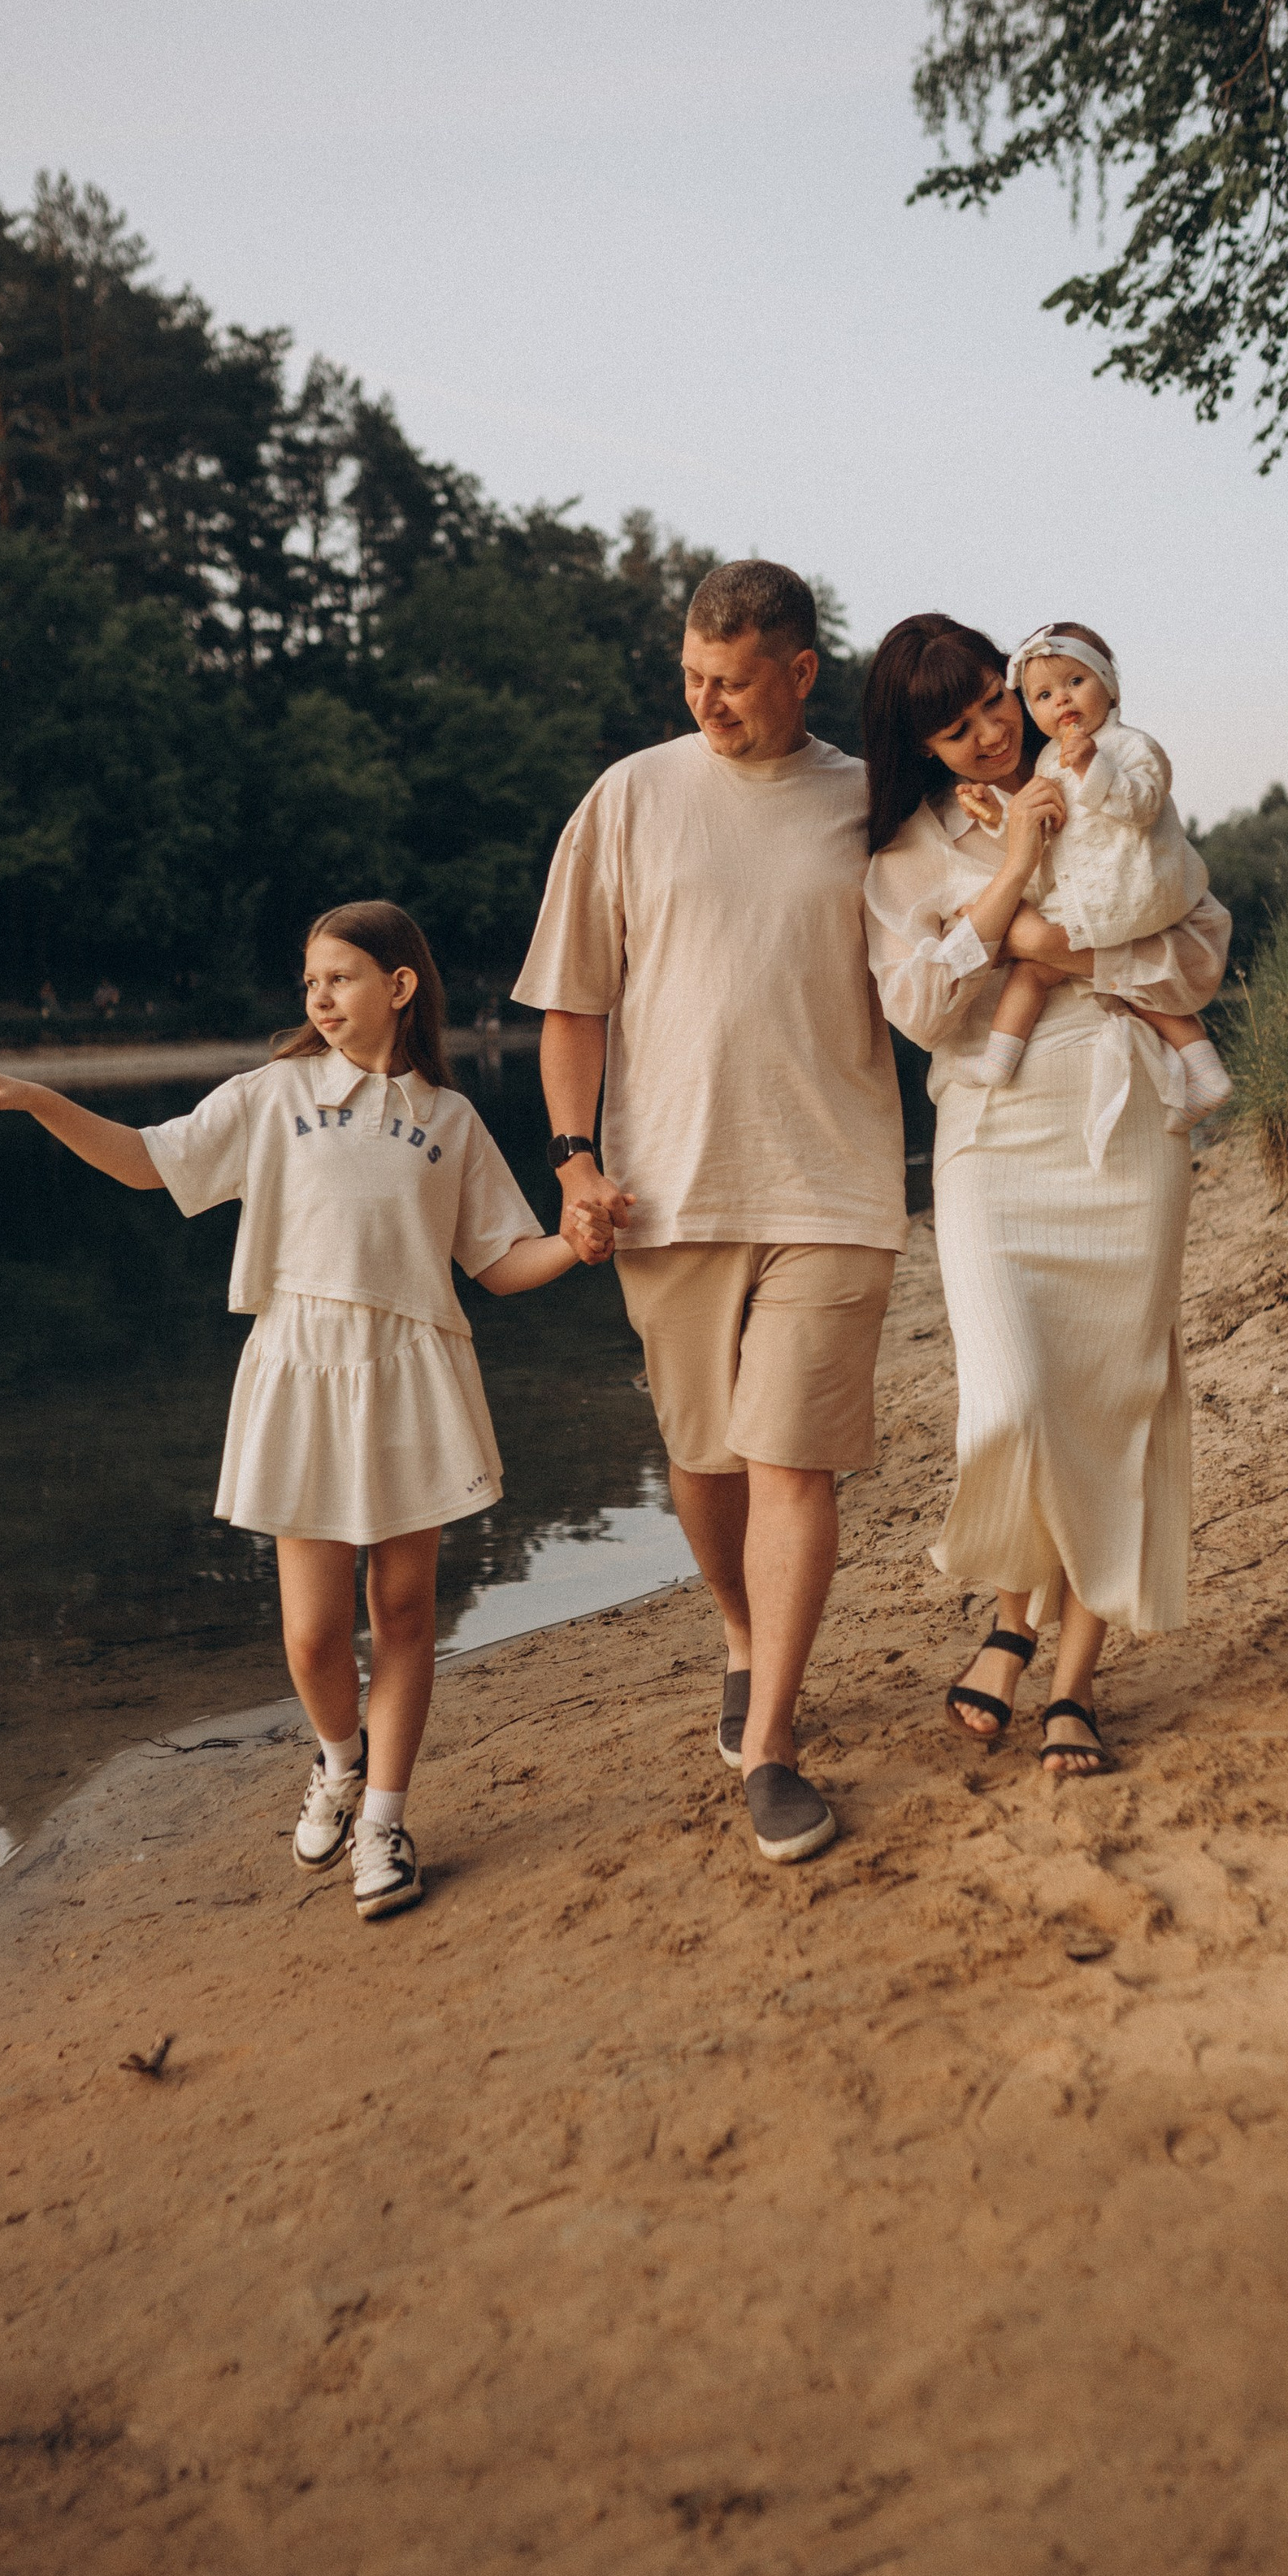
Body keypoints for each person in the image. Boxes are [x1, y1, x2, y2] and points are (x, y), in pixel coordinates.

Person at [0, 901, 605, 1922]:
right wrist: (37, 1100)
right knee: (309, 1638)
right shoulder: (273, 1094)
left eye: (337, 978)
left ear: (400, 985)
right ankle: (340, 1758)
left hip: (411, 1369)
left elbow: (501, 1263)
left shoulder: (450, 1121)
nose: (319, 999)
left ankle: (384, 1818)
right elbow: (143, 1160)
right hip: (300, 1362)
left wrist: (578, 1246)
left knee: (409, 1613)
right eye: (309, 984)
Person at [513, 561, 908, 1864]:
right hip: (668, 1186)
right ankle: (740, 1633)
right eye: (691, 678)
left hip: (834, 1180)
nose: (707, 703)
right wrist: (573, 1162)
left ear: (800, 673)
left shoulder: (870, 804)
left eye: (732, 683)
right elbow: (574, 1003)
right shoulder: (630, 795)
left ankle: (777, 1744)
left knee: (791, 1454)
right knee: (705, 1454)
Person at [861, 615, 1220, 1775]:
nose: (987, 735)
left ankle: (1063, 1673)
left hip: (1123, 1116)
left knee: (1111, 1395)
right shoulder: (907, 857)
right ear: (923, 747)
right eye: (954, 729)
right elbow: (919, 1007)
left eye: (992, 705)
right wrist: (1013, 866)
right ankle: (1012, 1613)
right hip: (994, 1131)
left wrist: (1067, 954)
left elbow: (1199, 952)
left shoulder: (1112, 780)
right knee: (1014, 1398)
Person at [969, 623, 1233, 1125]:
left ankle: (995, 1066)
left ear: (1109, 686)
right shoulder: (1048, 759)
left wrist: (1095, 769)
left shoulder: (1133, 747)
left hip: (1132, 892)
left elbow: (1144, 805)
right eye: (1043, 695)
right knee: (1127, 983)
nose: (1062, 701)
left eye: (1075, 682)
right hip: (1098, 900)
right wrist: (1000, 817)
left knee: (1036, 968)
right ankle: (1205, 1071)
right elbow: (1047, 828)